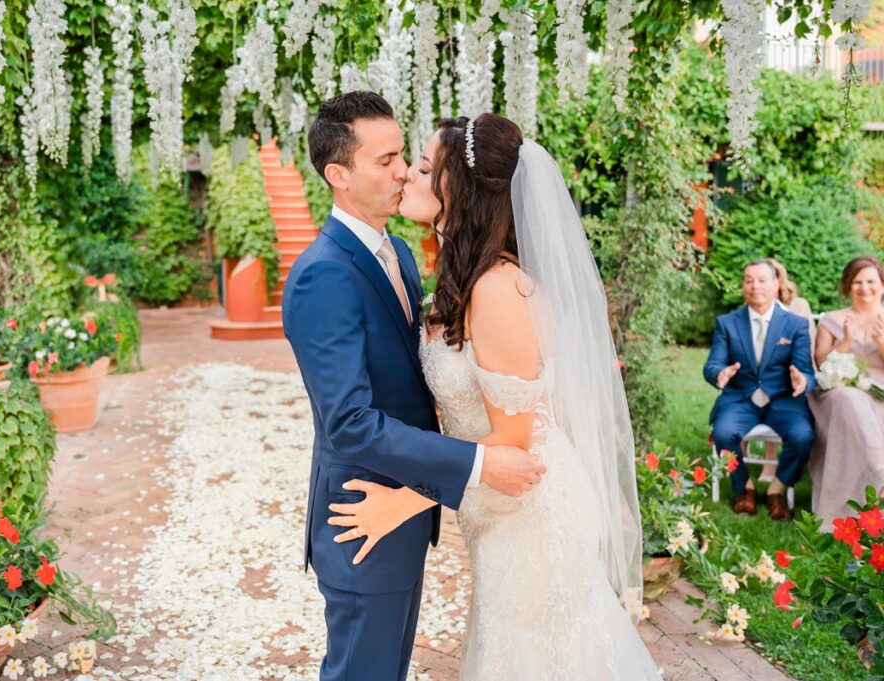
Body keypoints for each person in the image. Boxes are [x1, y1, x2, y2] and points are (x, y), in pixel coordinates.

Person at [328, 114, 660, 679]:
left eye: (427, 167)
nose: (408, 174)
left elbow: (510, 446)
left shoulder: (497, 288)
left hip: (530, 510)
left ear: (465, 191)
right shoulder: (460, 274)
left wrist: (401, 502)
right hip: (497, 515)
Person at [281, 93, 545, 681]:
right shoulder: (323, 275)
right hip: (364, 518)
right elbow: (349, 422)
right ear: (339, 175)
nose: (403, 171)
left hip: (403, 512)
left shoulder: (397, 252)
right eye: (388, 159)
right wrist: (475, 464)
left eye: (406, 155)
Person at [704, 260, 816, 520]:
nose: (755, 286)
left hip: (783, 400)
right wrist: (719, 373)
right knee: (723, 432)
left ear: (776, 284)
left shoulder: (794, 325)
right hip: (741, 399)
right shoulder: (727, 323)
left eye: (762, 280)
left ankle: (776, 489)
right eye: (749, 280)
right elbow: (712, 364)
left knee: (802, 437)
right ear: (743, 285)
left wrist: (802, 381)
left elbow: (806, 371)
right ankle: (745, 487)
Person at [808, 256, 884, 530]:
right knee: (848, 400)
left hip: (880, 393)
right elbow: (821, 364)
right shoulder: (833, 319)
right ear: (848, 286)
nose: (865, 288)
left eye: (871, 282)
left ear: (882, 285)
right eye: (858, 282)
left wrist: (880, 342)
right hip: (839, 394)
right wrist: (846, 343)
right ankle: (876, 471)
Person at [755, 259, 815, 482]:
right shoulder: (753, 306)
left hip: (793, 372)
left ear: (779, 280)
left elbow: (808, 343)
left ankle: (771, 464)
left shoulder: (799, 305)